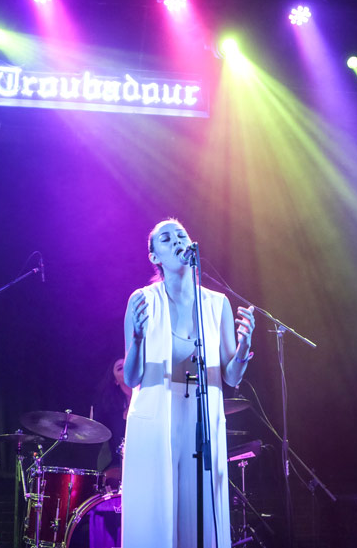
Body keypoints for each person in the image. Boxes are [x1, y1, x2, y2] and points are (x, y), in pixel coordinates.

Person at [121, 219, 256, 548]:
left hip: (202, 417)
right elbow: (132, 377)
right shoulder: (142, 300)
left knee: (200, 514)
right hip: (155, 419)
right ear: (155, 257)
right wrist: (137, 340)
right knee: (156, 513)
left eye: (181, 235)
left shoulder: (216, 303)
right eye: (166, 239)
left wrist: (243, 349)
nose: (177, 240)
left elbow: (231, 377)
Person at [91, 357, 132, 490]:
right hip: (118, 464)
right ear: (115, 381)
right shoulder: (110, 408)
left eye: (128, 364)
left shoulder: (149, 400)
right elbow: (95, 432)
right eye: (120, 368)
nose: (125, 369)